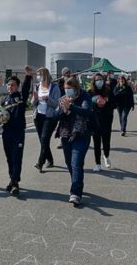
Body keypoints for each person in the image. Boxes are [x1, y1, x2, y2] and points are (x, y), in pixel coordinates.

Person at [0, 67, 33, 195]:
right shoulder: (4, 100)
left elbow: (26, 88)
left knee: (17, 157)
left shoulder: (21, 97)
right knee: (9, 157)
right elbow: (0, 116)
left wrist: (28, 76)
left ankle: (15, 183)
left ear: (17, 86)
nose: (10, 87)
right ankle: (12, 179)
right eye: (9, 85)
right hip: (6, 132)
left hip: (18, 132)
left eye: (13, 85)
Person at [52, 77, 93, 206]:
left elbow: (86, 111)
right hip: (65, 134)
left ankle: (75, 193)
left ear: (76, 88)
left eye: (70, 88)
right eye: (65, 88)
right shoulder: (62, 99)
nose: (67, 90)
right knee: (69, 163)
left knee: (76, 163)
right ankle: (76, 182)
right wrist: (63, 110)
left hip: (81, 134)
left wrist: (71, 107)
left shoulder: (84, 96)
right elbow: (55, 116)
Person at [31, 67, 61, 172]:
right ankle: (50, 160)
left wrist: (47, 99)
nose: (38, 76)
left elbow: (56, 103)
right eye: (37, 74)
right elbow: (32, 103)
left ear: (45, 75)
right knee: (43, 141)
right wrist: (35, 99)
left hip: (50, 117)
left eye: (40, 74)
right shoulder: (37, 86)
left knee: (44, 138)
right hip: (38, 116)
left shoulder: (54, 87)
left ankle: (40, 162)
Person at [89, 73, 116, 172]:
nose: (99, 81)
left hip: (106, 120)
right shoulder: (90, 92)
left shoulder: (108, 91)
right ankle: (97, 163)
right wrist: (95, 102)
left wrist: (106, 102)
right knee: (96, 143)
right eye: (96, 80)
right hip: (95, 120)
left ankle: (106, 155)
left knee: (106, 142)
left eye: (100, 79)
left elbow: (114, 104)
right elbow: (87, 105)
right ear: (93, 82)